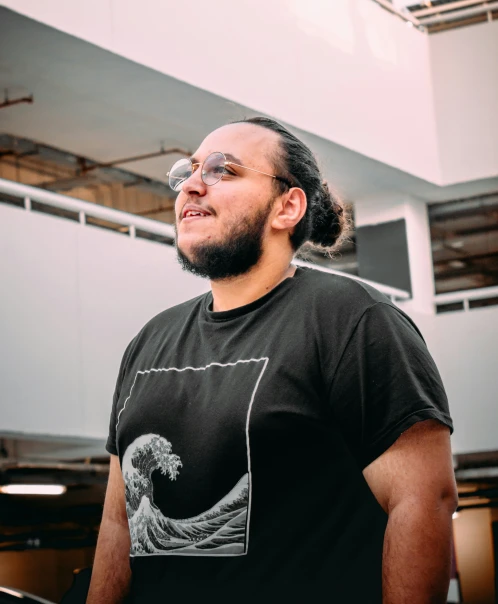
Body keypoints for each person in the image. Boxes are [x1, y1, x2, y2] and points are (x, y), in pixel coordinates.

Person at [87, 116, 457, 604]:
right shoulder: (149, 341)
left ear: (287, 206)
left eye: (224, 171)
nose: (192, 186)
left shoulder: (353, 320)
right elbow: (119, 522)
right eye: (190, 170)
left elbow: (423, 501)